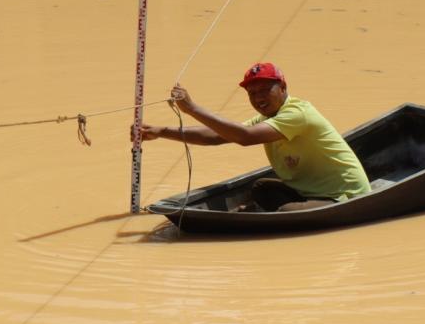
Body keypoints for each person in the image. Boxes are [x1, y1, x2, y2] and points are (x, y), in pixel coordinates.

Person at [137, 62, 371, 212]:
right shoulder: (269, 117)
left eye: (264, 90)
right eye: (252, 93)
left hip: (344, 196)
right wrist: (161, 131)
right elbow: (216, 136)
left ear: (282, 87)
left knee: (286, 214)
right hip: (307, 191)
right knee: (261, 188)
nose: (258, 97)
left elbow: (245, 137)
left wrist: (193, 108)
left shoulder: (298, 114)